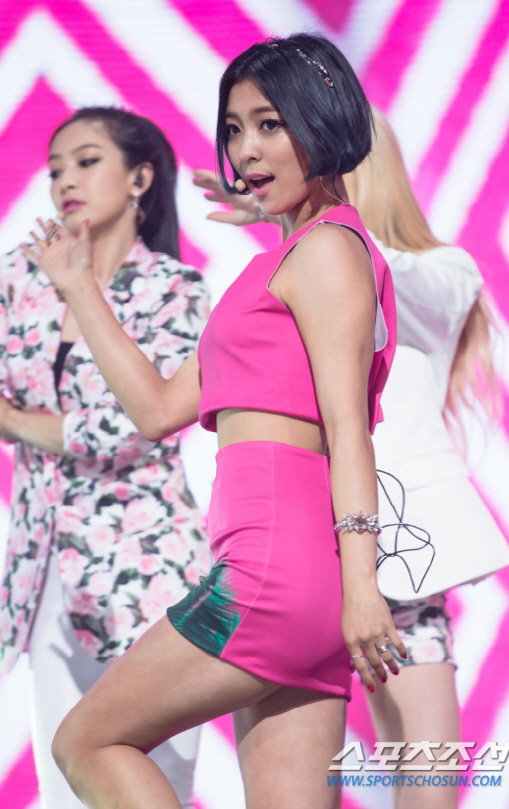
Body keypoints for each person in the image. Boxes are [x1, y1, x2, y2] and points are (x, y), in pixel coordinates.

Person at [26, 34, 407, 809]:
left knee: (85, 741)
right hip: (298, 578)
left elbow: (348, 427)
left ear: (323, 118)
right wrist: (81, 287)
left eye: (269, 124)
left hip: (271, 571)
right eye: (234, 129)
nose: (245, 149)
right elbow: (159, 408)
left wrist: (365, 586)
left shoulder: (327, 251)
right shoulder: (291, 258)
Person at [195, 109, 509, 809]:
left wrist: (305, 222)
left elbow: (372, 271)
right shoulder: (295, 265)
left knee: (425, 781)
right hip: (304, 547)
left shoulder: (440, 271)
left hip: (399, 555)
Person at [0, 107, 211, 809]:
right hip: (42, 573)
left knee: (158, 783)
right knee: (64, 789)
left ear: (140, 178)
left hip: (147, 569)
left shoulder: (176, 289)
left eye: (87, 161)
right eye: (55, 168)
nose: (65, 180)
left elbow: (133, 426)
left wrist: (14, 421)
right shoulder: (19, 276)